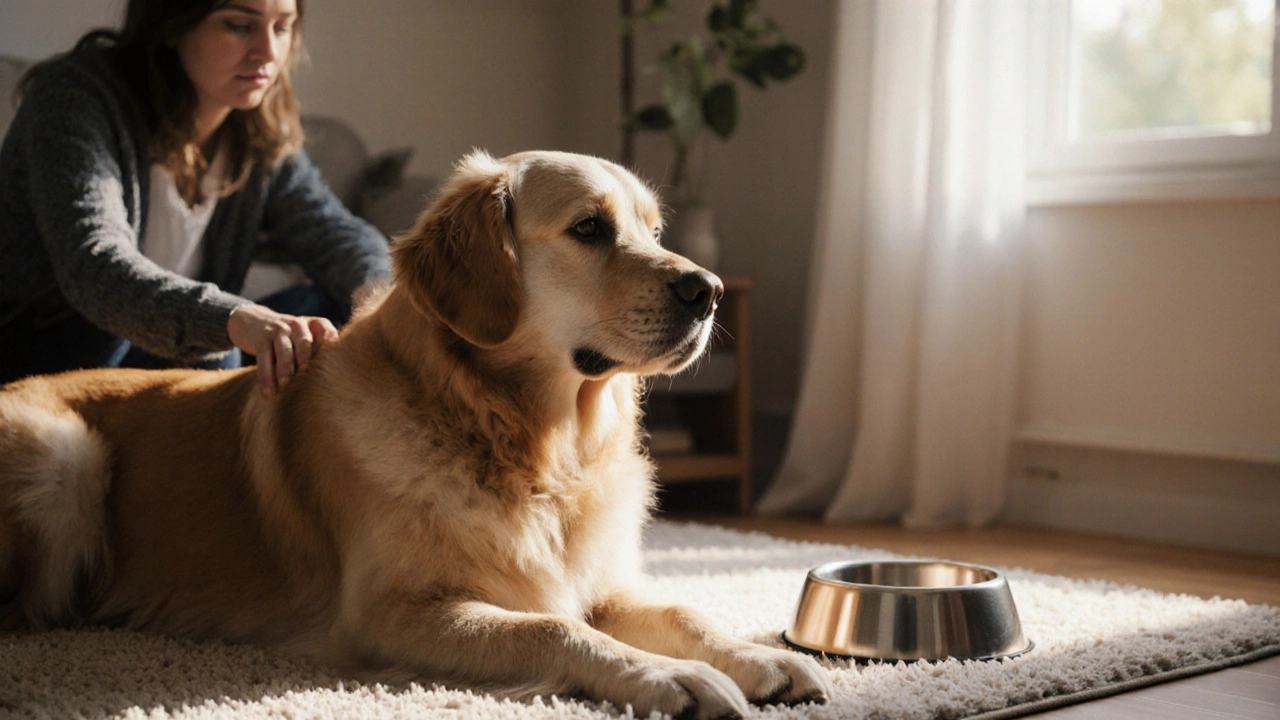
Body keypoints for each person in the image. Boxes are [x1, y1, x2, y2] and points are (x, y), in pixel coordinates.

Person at [0, 0, 392, 396]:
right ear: (170, 25)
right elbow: (95, 265)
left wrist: (390, 306)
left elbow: (336, 235)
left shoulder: (259, 124)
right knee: (215, 350)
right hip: (46, 357)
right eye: (240, 25)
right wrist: (232, 319)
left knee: (321, 310)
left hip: (163, 354)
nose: (269, 53)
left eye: (282, 28)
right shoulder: (74, 97)